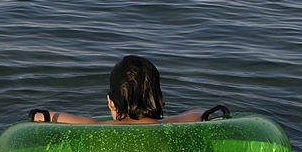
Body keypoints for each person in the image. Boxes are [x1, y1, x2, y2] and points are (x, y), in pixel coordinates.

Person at [32, 55, 202, 124]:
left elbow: (41, 116)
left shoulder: (99, 127)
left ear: (111, 103)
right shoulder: (171, 125)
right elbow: (199, 113)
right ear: (159, 98)